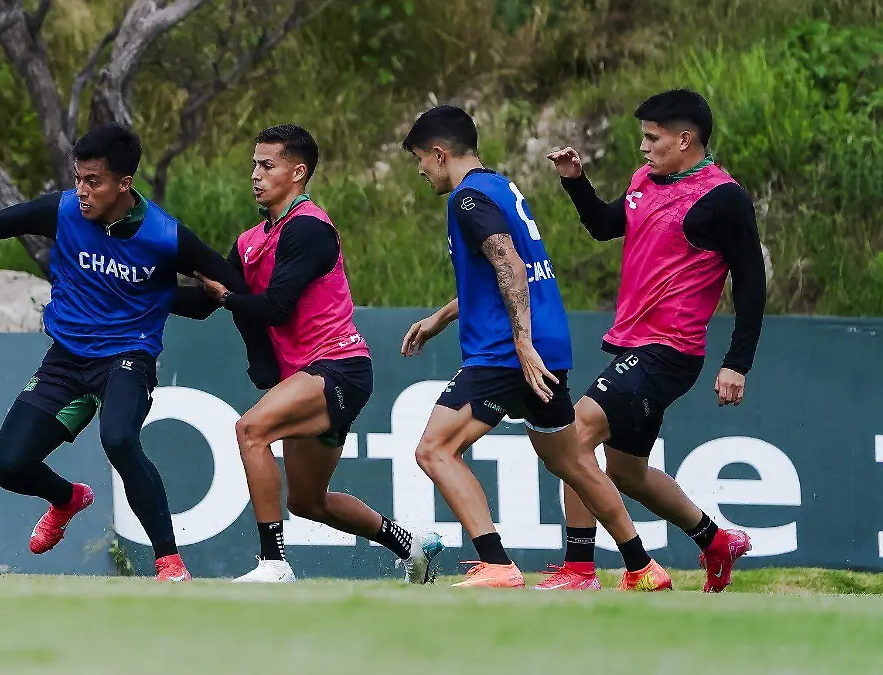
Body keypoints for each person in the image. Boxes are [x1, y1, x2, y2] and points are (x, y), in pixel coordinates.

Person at [0, 123, 266, 583]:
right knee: (8, 466)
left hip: (127, 358)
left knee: (119, 439)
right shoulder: (62, 212)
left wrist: (234, 321)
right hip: (66, 360)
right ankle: (68, 498)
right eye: (78, 178)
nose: (82, 191)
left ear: (124, 184)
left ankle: (169, 564)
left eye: (93, 182)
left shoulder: (166, 236)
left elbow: (230, 291)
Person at [399, 105, 671, 591]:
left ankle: (497, 564)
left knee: (434, 449)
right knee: (572, 461)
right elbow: (498, 274)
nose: (421, 170)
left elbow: (510, 266)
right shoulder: (500, 187)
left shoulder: (466, 199)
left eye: (421, 159)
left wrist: (521, 345)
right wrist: (439, 318)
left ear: (440, 154)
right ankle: (642, 567)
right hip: (545, 340)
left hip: (506, 349)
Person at [176, 124, 445, 584]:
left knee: (250, 430)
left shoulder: (308, 228)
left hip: (339, 367)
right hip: (310, 375)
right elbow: (204, 303)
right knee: (307, 502)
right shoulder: (249, 241)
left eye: (267, 165)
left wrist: (224, 295)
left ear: (298, 172)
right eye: (254, 166)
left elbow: (274, 308)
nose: (256, 176)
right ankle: (410, 544)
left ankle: (273, 564)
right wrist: (135, 292)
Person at [541, 89, 765, 592]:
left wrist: (737, 363)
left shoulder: (722, 197)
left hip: (669, 350)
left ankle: (580, 570)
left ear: (685, 140)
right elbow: (604, 226)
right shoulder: (647, 180)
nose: (643, 148)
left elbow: (752, 282)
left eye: (652, 138)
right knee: (627, 471)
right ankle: (715, 541)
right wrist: (577, 184)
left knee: (571, 436)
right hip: (633, 346)